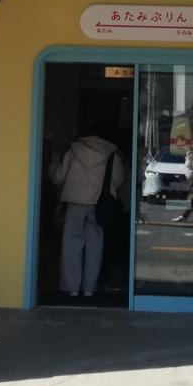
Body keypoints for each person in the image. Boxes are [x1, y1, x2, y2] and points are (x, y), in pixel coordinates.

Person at [50, 126, 124, 298]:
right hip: (99, 204)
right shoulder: (111, 155)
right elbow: (118, 180)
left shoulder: (73, 152)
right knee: (95, 245)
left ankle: (72, 288)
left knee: (71, 244)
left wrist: (51, 168)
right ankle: (90, 287)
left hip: (75, 201)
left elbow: (59, 177)